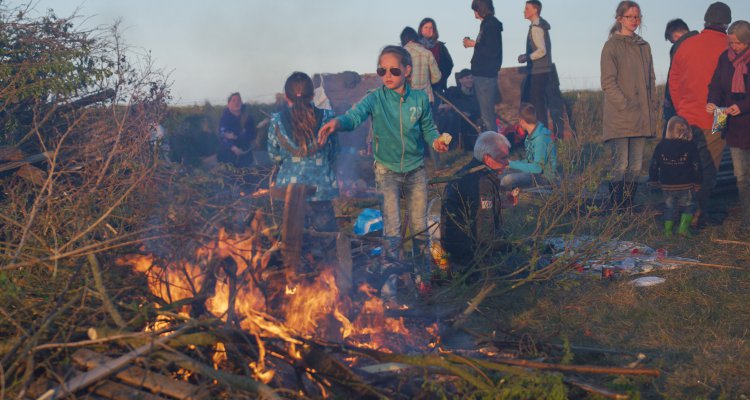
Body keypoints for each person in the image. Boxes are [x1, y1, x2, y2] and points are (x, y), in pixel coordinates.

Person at [318, 46, 449, 263]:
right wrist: (337, 123)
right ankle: (391, 285)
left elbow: (428, 128)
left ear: (407, 71)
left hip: (415, 169)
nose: (387, 76)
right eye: (382, 71)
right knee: (392, 229)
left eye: (394, 71)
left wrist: (436, 141)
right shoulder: (374, 98)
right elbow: (354, 116)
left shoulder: (419, 99)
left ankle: (422, 277)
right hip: (386, 170)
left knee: (419, 226)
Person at [669, 2, 732, 224]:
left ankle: (679, 210)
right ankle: (696, 214)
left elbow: (673, 83)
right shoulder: (731, 46)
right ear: (727, 23)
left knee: (684, 167)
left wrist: (680, 109)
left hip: (686, 116)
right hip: (719, 115)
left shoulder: (686, 45)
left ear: (705, 20)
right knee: (709, 168)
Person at [600, 1, 657, 210]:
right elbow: (608, 81)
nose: (634, 21)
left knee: (636, 166)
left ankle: (627, 206)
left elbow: (651, 78)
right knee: (621, 164)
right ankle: (616, 208)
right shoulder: (611, 46)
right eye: (630, 16)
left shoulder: (644, 46)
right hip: (621, 116)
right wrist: (624, 104)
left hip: (642, 115)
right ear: (619, 19)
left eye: (637, 17)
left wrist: (651, 105)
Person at [267, 72, 339, 237]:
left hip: (290, 191)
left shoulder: (276, 121)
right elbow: (335, 152)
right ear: (313, 95)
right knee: (327, 241)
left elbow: (274, 156)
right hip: (321, 190)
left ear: (286, 96)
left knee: (292, 245)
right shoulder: (328, 117)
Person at [441, 131, 510, 267]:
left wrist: (501, 203)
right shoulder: (481, 181)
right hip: (469, 256)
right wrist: (507, 247)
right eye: (503, 158)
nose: (507, 162)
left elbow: (475, 210)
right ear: (488, 159)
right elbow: (484, 233)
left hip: (455, 250)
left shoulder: (469, 172)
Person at [707, 20, 750, 229]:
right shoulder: (725, 59)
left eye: (737, 43)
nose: (732, 47)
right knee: (741, 177)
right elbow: (715, 84)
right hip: (732, 127)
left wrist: (741, 107)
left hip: (746, 121)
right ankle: (748, 221)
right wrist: (712, 101)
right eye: (730, 42)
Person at [648, 116, 702, 237]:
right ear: (686, 130)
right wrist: (698, 182)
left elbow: (654, 164)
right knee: (689, 206)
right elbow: (696, 165)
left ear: (668, 130)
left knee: (669, 207)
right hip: (686, 184)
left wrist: (653, 179)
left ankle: (668, 231)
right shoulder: (690, 146)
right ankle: (683, 228)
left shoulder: (661, 145)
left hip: (668, 185)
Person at [464, 0, 503, 132]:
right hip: (483, 75)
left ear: (480, 9)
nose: (474, 13)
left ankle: (494, 147)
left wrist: (472, 44)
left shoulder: (491, 25)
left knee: (487, 115)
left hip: (485, 75)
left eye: (475, 9)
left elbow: (491, 50)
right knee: (486, 114)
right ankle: (492, 144)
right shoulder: (487, 24)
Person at [500, 103, 557, 189]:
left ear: (522, 121)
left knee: (507, 180)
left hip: (544, 178)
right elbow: (530, 162)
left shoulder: (540, 139)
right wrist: (511, 164)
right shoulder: (531, 136)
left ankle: (510, 198)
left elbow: (537, 168)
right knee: (502, 173)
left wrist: (511, 164)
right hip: (535, 173)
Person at [518, 0, 552, 127]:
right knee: (538, 103)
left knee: (537, 105)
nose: (524, 11)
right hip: (542, 70)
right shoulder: (539, 26)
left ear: (535, 10)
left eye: (527, 8)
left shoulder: (536, 28)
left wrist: (527, 57)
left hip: (538, 71)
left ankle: (541, 133)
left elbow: (542, 51)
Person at [663, 19, 698, 136]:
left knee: (680, 144)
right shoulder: (715, 44)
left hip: (688, 110)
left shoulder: (679, 48)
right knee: (720, 145)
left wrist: (675, 109)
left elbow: (674, 82)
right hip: (720, 108)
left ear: (676, 36)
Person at [437, 69, 481, 151]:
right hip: (449, 116)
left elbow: (477, 112)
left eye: (471, 78)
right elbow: (441, 103)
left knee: (453, 117)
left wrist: (469, 114)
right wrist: (443, 106)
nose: (470, 80)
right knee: (446, 116)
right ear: (460, 80)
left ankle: (449, 144)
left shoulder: (475, 95)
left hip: (466, 120)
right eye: (467, 78)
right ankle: (444, 143)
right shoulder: (452, 91)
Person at [401, 27, 441, 104]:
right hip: (425, 99)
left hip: (406, 100)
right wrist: (427, 80)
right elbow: (437, 77)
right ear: (416, 38)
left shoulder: (399, 53)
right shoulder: (427, 53)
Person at [218, 92, 256, 168]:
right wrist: (233, 148)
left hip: (246, 154)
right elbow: (223, 136)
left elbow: (252, 134)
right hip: (228, 158)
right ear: (228, 104)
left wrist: (236, 137)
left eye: (239, 100)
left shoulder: (248, 118)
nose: (236, 103)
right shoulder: (224, 119)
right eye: (233, 100)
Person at [418, 18, 454, 96]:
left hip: (437, 86)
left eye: (431, 28)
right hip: (419, 85)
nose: (429, 30)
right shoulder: (415, 46)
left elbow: (449, 64)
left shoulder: (440, 47)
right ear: (421, 29)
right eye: (426, 27)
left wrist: (441, 78)